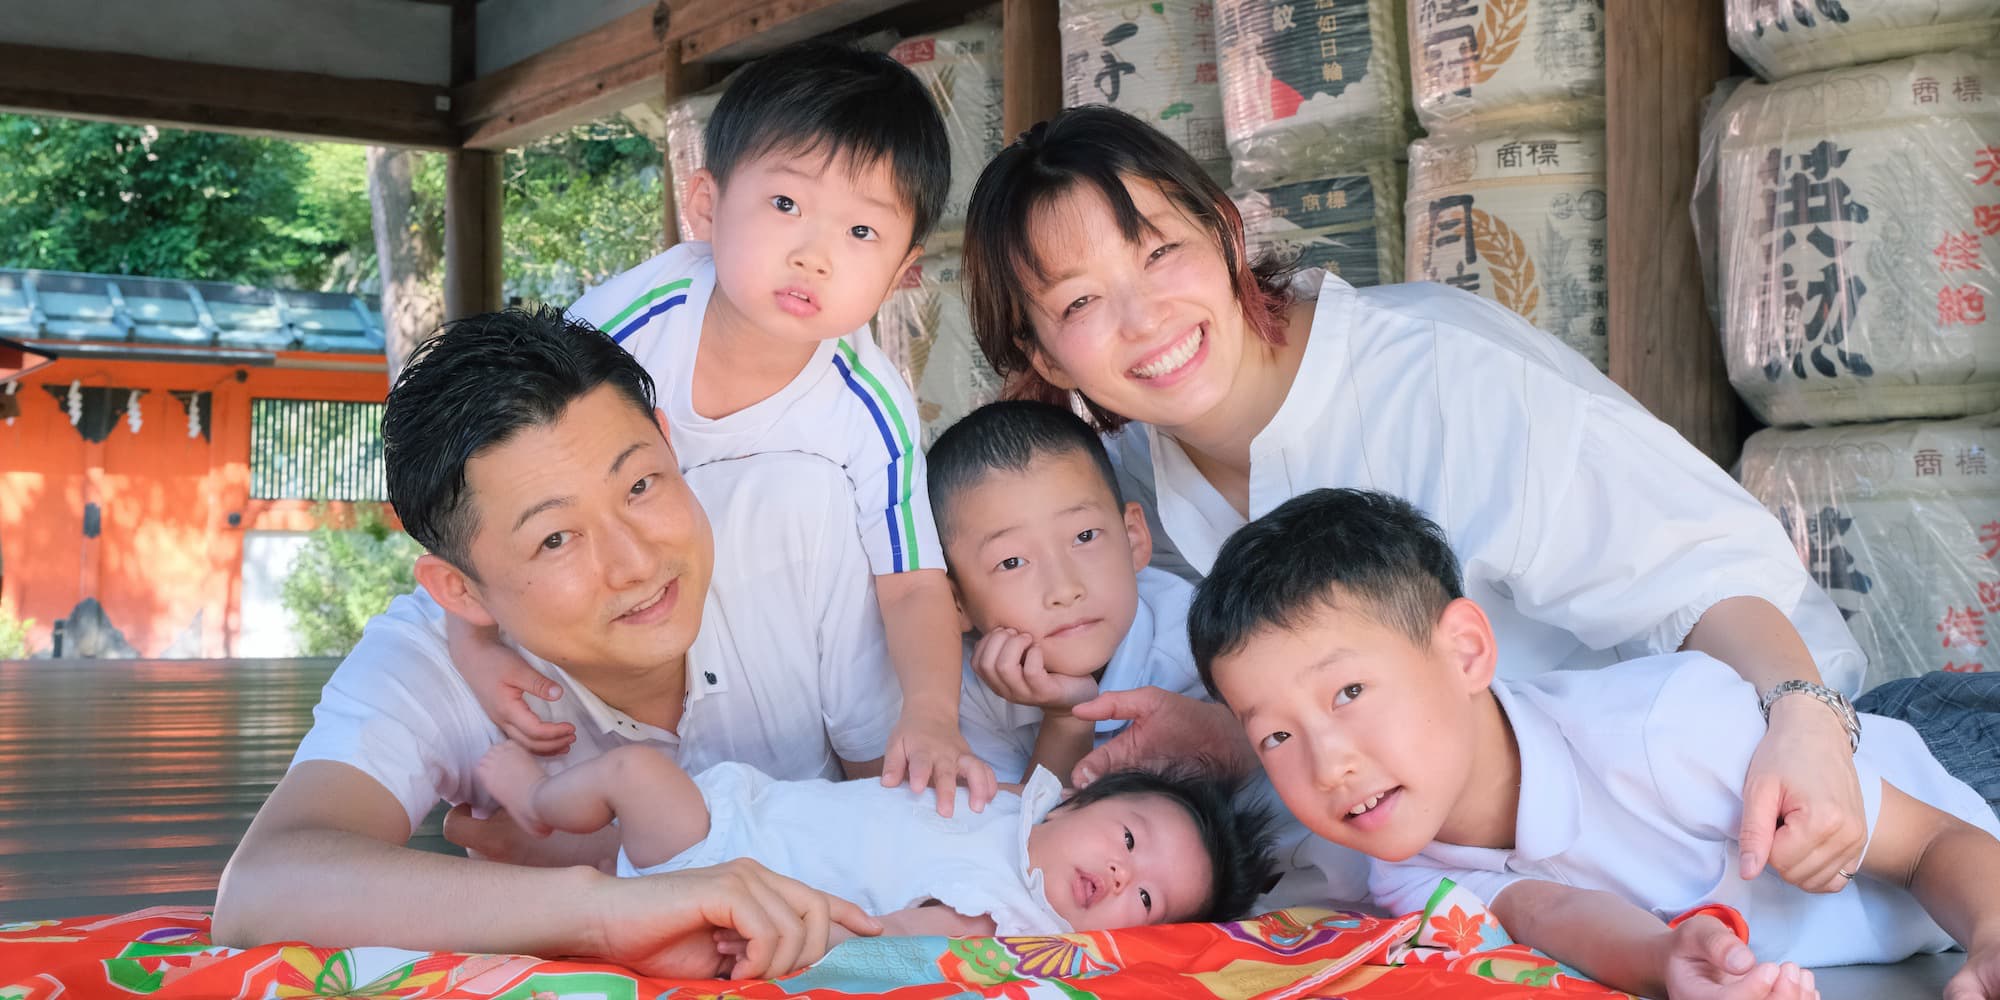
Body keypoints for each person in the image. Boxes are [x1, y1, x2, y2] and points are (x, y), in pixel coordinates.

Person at [959, 105, 1872, 895]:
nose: (1145, 318)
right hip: (1492, 886)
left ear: (1227, 234)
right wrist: (1231, 744)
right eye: (1081, 304)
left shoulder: (1438, 373)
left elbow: (1697, 576)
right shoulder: (1126, 488)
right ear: (1041, 357)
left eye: (1161, 252)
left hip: (1723, 813)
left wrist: (1801, 714)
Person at [213, 307, 900, 979]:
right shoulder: (426, 659)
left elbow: (915, 818)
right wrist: (597, 909)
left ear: (668, 440)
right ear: (461, 592)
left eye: (639, 484)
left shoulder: (797, 523)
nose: (634, 562)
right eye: (556, 538)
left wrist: (598, 853)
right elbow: (262, 888)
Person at [456, 41, 991, 814]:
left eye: (861, 234)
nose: (813, 256)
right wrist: (471, 643)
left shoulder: (872, 408)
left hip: (772, 662)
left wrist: (933, 716)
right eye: (785, 205)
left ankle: (849, 805)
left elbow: (911, 585)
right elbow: (485, 468)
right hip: (607, 621)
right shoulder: (620, 331)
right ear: (705, 205)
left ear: (904, 271)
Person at [1192, 488, 2000, 1000]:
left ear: (1466, 651)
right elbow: (1550, 912)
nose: (1327, 764)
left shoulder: (1671, 729)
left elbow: (1936, 840)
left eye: (1350, 693)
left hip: (1963, 773)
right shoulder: (1400, 865)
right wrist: (1668, 958)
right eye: (1275, 735)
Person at [476, 737, 1276, 939]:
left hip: (728, 874)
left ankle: (541, 804)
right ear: (1074, 803)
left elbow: (887, 939)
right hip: (747, 818)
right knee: (617, 843)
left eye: (1147, 898)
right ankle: (527, 846)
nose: (1117, 871)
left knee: (635, 775)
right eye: (1129, 839)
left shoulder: (995, 914)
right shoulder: (1011, 806)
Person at [926, 400, 1209, 784]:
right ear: (955, 603)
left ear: (1133, 538)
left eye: (1084, 536)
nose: (1064, 589)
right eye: (1012, 562)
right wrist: (1066, 720)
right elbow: (1020, 836)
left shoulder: (1196, 642)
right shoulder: (955, 693)